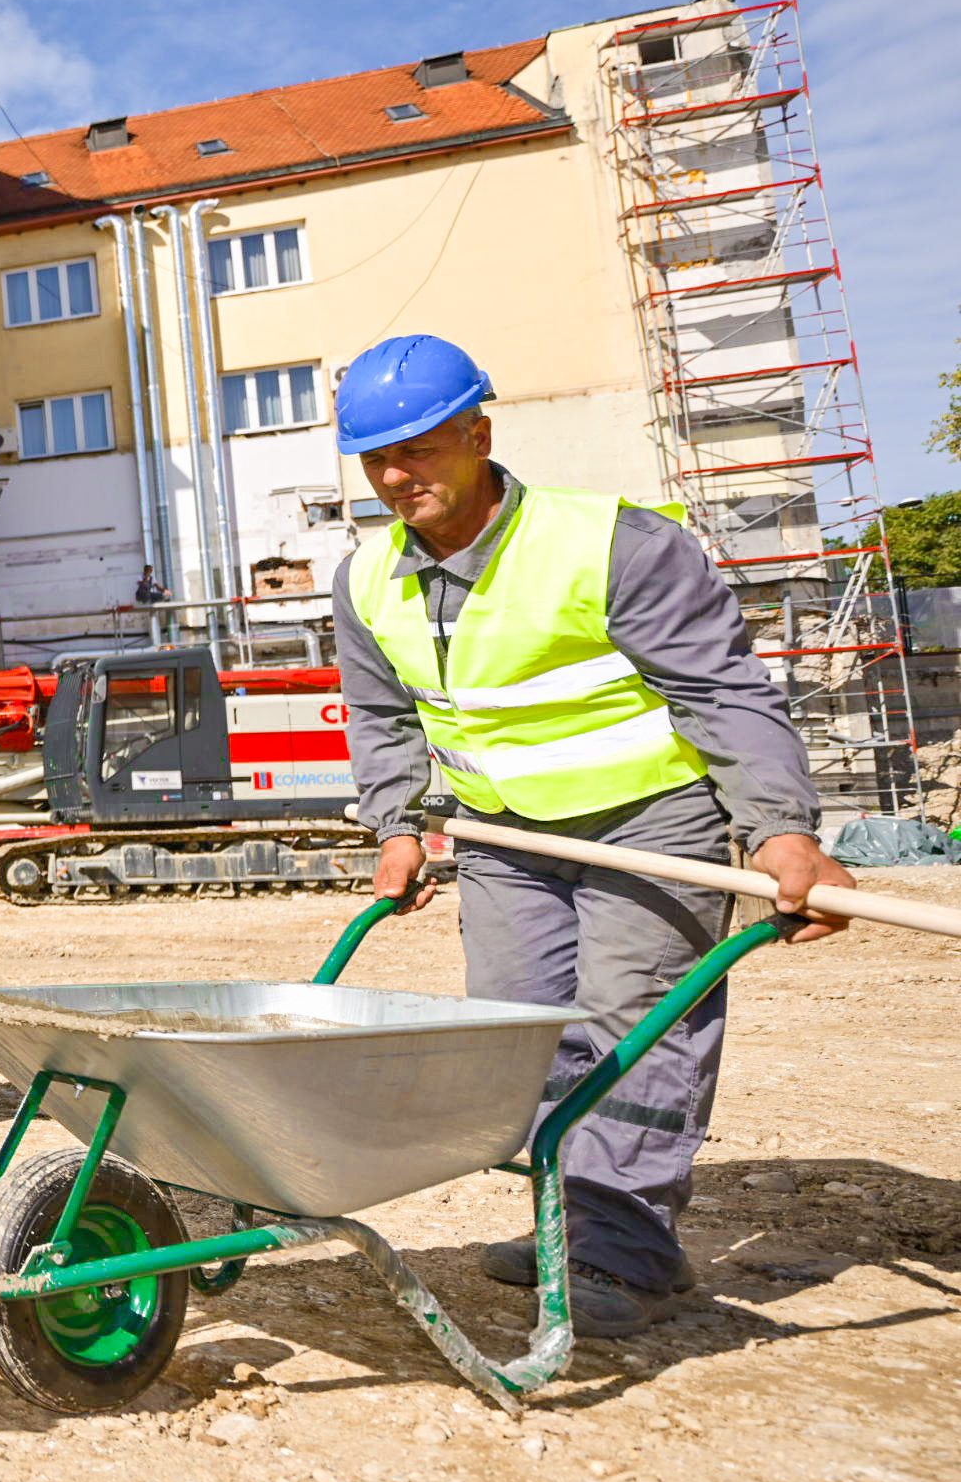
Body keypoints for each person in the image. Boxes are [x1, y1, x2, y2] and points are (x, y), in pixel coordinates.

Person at [330, 334, 854, 1336]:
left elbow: (721, 692)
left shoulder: (611, 543)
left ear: (478, 435)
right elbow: (384, 717)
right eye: (376, 459)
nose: (398, 478)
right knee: (519, 1035)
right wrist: (395, 827)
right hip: (504, 837)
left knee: (636, 1025)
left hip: (651, 825)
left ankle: (623, 1253)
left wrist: (780, 833)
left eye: (421, 450)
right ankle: (570, 1218)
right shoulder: (365, 580)